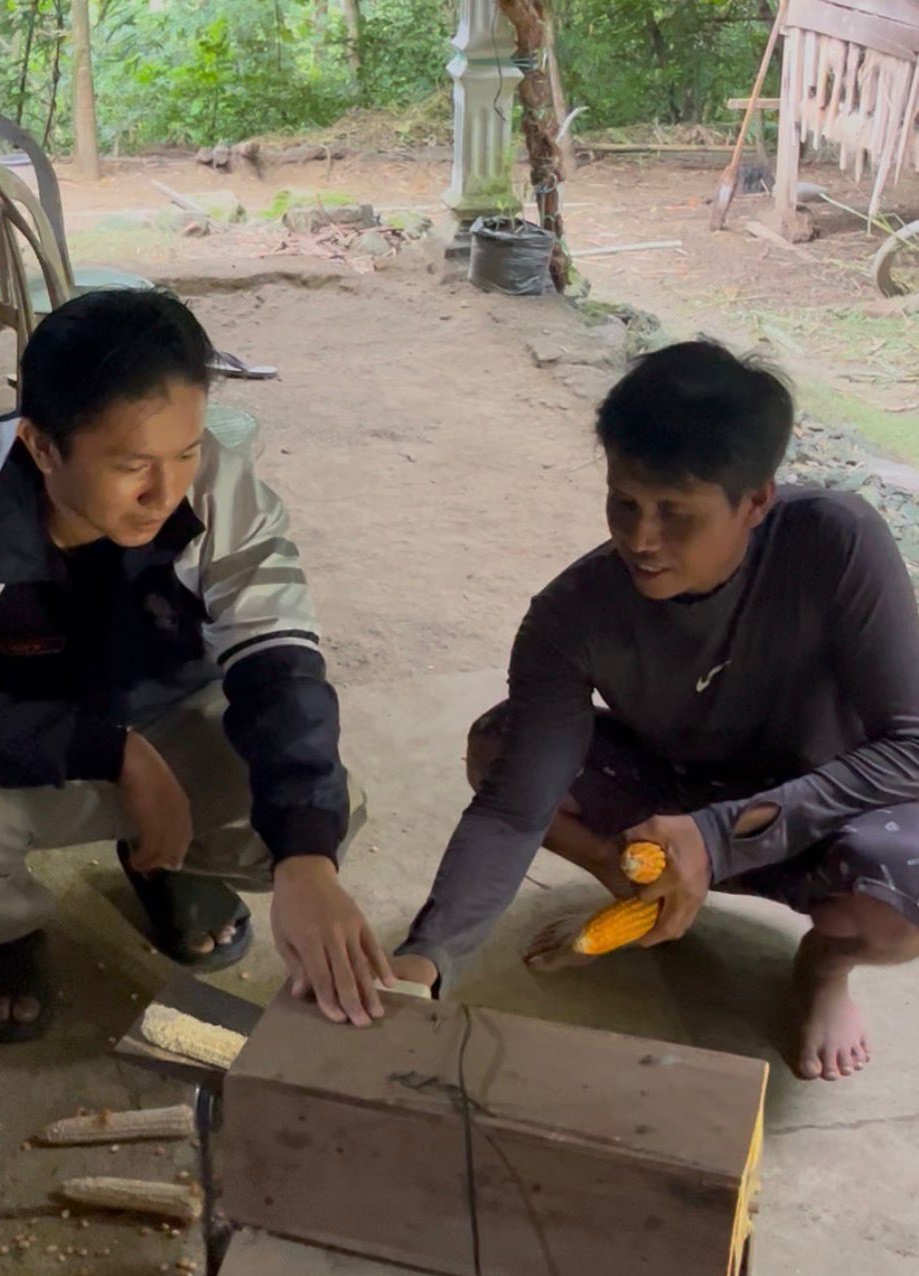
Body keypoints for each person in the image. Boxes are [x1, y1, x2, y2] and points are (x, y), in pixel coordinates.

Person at [0, 287, 392, 1040]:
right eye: (132, 464)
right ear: (41, 446)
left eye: (185, 452)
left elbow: (280, 666)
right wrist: (115, 753)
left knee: (323, 802)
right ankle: (0, 934)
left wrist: (304, 858)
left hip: (174, 727)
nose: (166, 492)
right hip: (21, 754)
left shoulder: (220, 489)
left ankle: (172, 866)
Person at [394, 340, 919, 1081]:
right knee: (503, 746)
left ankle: (825, 971)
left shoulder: (836, 543)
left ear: (757, 501)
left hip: (823, 808)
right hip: (670, 806)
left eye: (676, 514)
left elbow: (911, 749)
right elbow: (517, 810)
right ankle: (647, 887)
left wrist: (713, 837)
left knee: (907, 893)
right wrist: (426, 958)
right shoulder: (571, 616)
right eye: (624, 503)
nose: (640, 540)